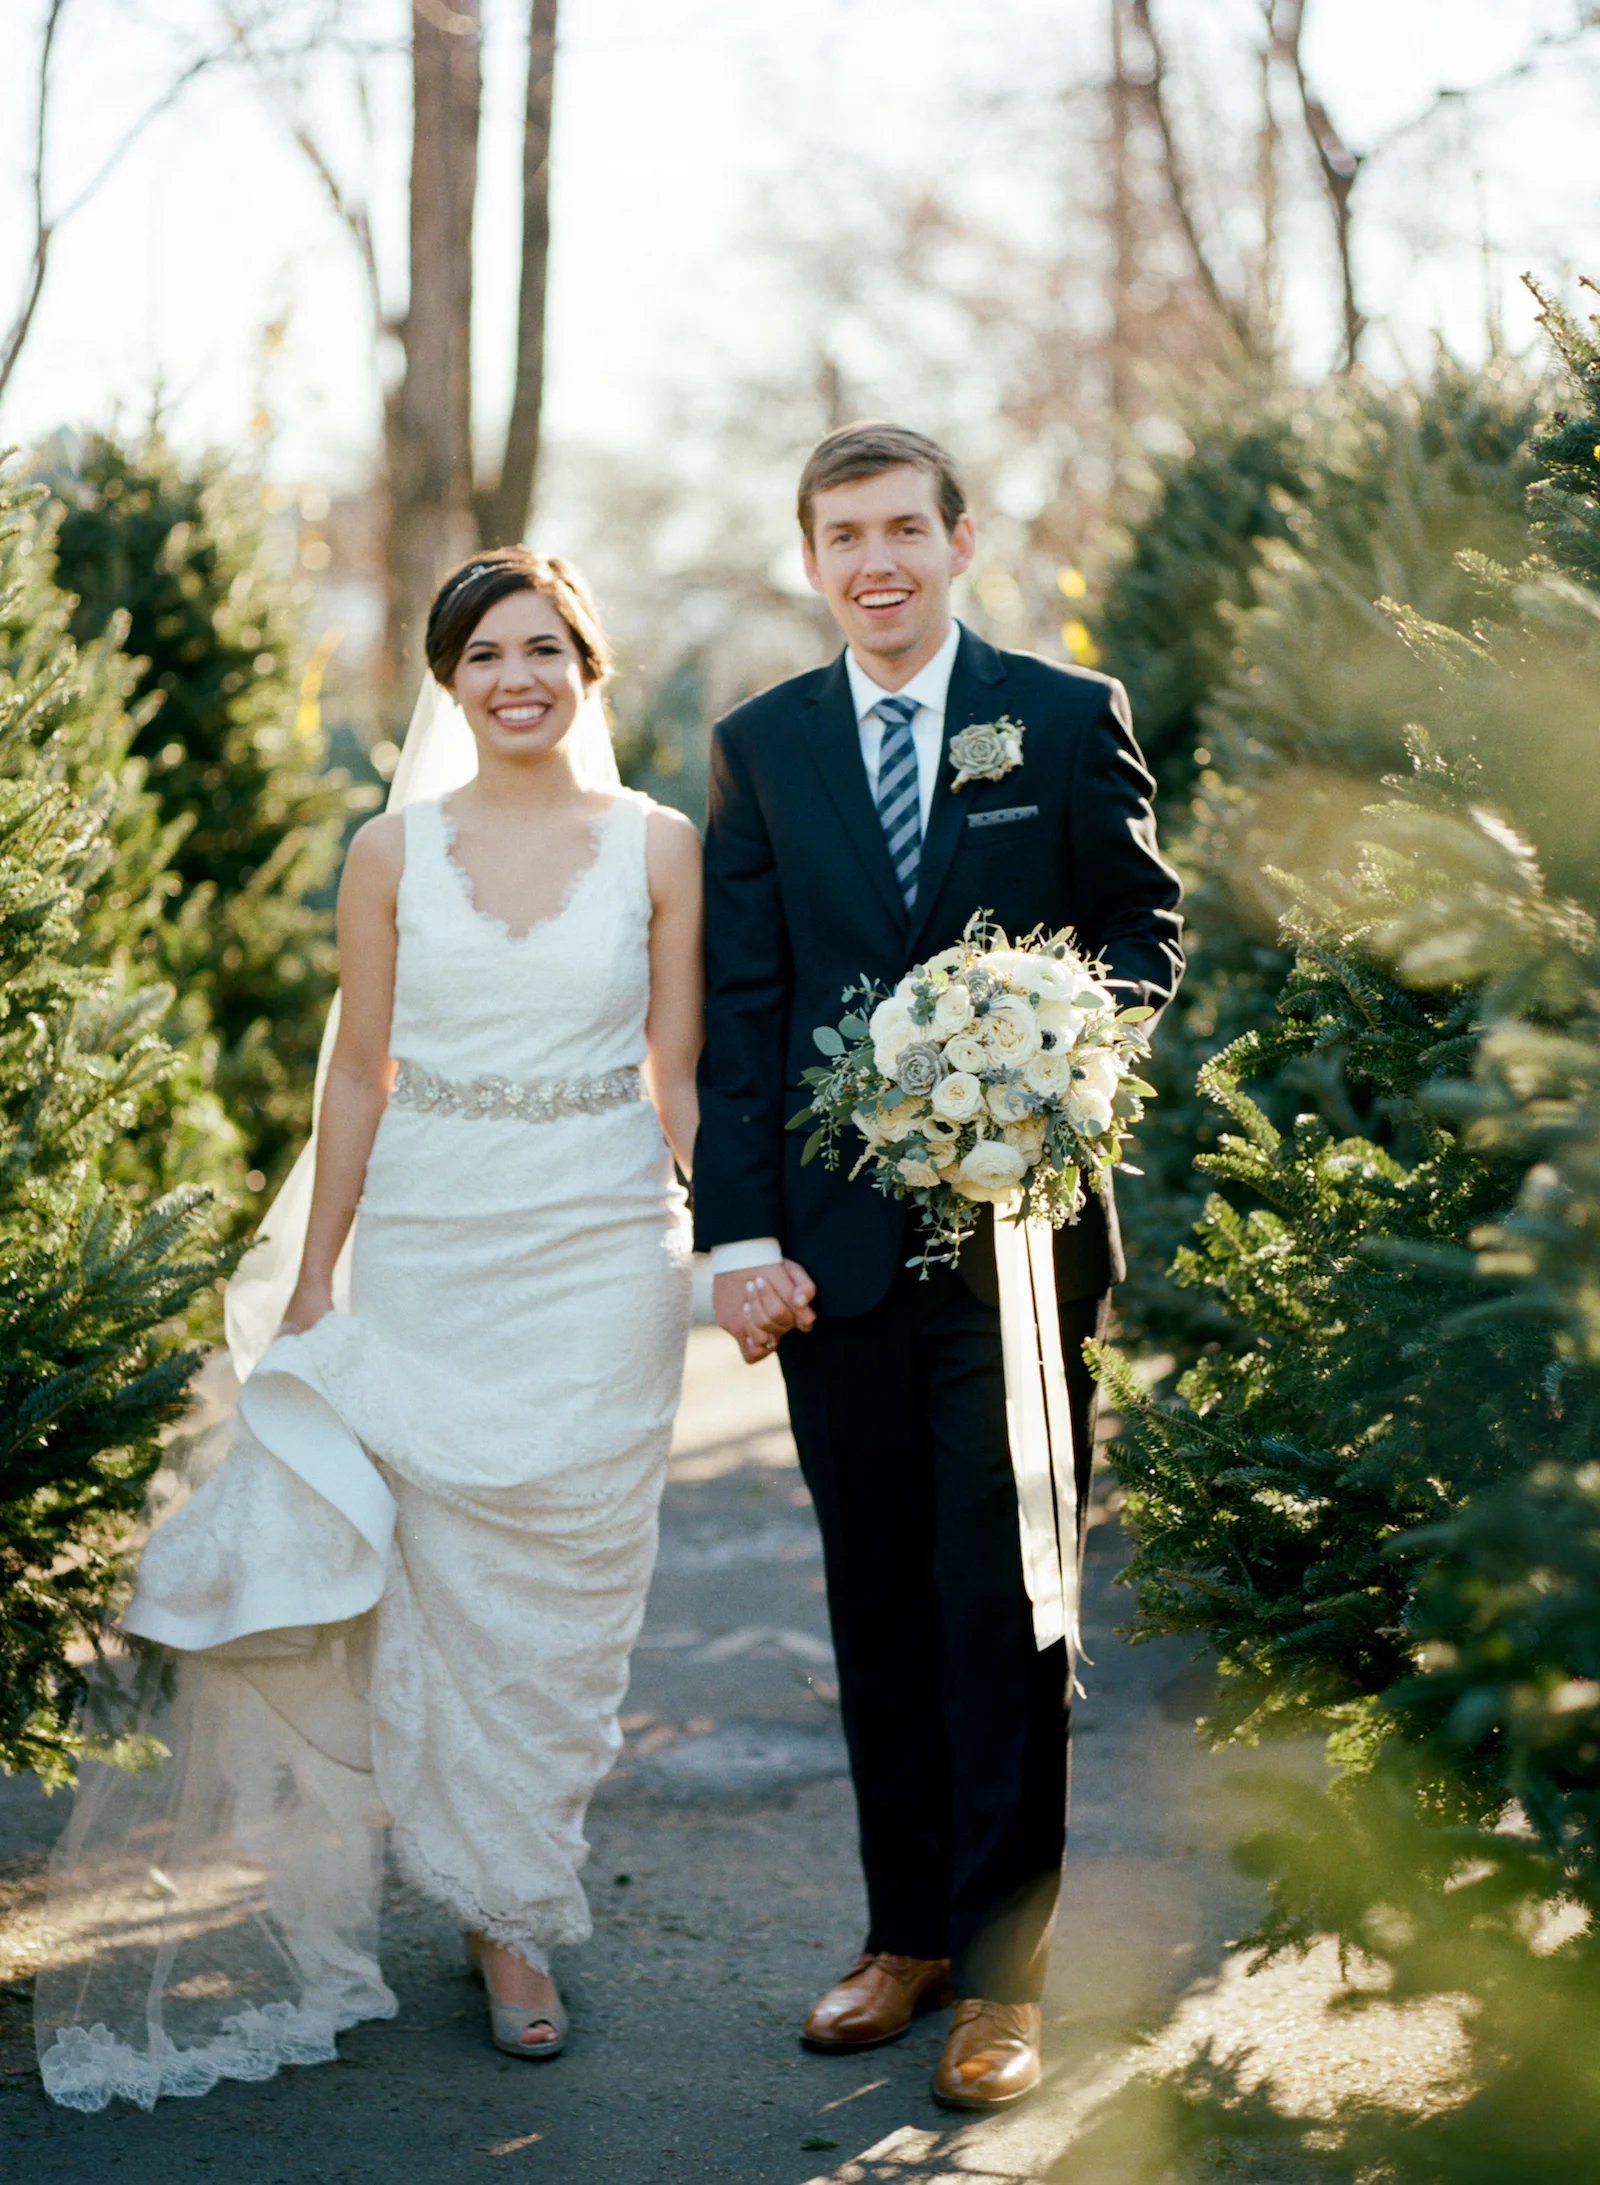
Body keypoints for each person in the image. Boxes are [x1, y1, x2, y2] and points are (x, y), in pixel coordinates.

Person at [36, 548, 702, 2108]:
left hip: (603, 1248)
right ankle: (509, 1918)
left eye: (543, 648)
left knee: (567, 1600)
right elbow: (357, 1072)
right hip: (427, 1243)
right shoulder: (389, 851)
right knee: (442, 1583)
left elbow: (680, 1069)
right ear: (447, 682)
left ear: (587, 669)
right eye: (482, 655)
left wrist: (737, 1232)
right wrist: (320, 1271)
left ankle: (509, 1889)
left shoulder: (661, 847)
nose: (515, 678)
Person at [694, 423, 1183, 2109]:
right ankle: (901, 1939)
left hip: (1023, 1242)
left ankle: (1003, 1979)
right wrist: (739, 1239)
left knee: (1007, 1602)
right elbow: (745, 1005)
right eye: (844, 536)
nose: (876, 562)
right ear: (813, 560)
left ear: (959, 543)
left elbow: (1142, 929)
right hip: (834, 1255)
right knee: (879, 1601)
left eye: (904, 528)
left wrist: (1063, 1045)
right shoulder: (759, 747)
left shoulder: (1063, 716)